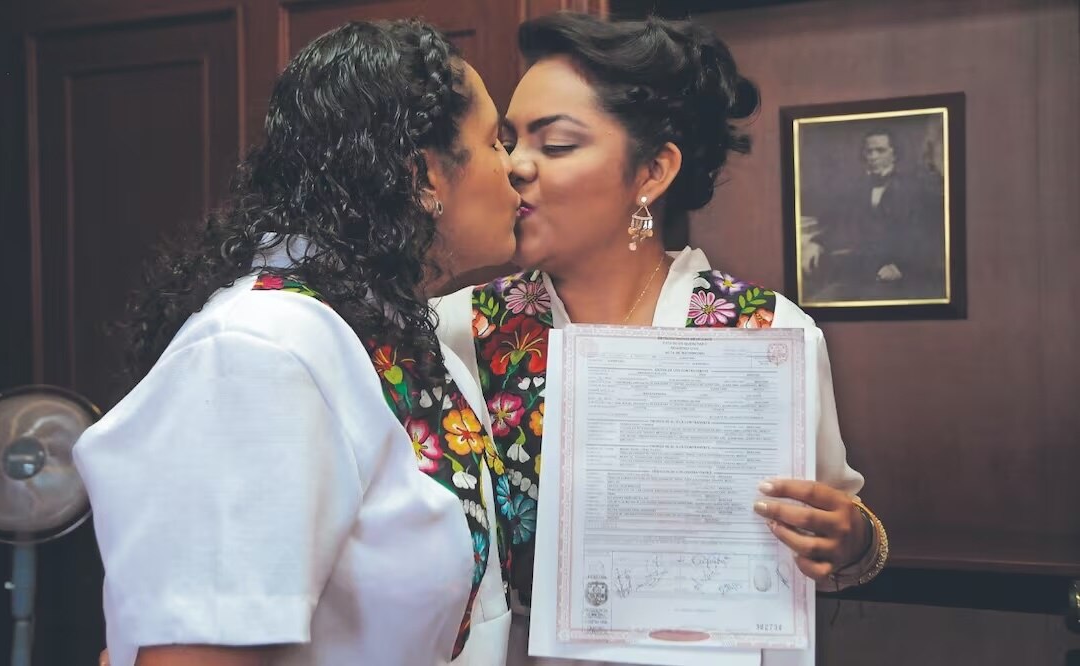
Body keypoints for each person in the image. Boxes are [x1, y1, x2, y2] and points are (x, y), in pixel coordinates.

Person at [433, 12, 888, 665]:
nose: (516, 167)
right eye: (507, 142)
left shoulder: (767, 333)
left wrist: (848, 538)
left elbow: (842, 523)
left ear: (651, 173)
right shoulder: (459, 330)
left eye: (555, 144)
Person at [74, 19, 522, 666]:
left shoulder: (409, 342)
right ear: (423, 176)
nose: (518, 169)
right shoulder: (261, 351)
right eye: (495, 142)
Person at [805, 127, 946, 302]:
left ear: (894, 154)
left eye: (880, 150)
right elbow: (840, 223)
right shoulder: (857, 188)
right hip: (860, 273)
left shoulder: (914, 188)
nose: (873, 157)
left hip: (905, 278)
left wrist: (902, 268)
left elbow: (928, 238)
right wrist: (816, 243)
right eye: (869, 151)